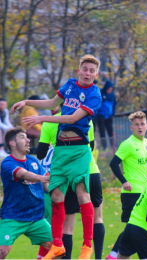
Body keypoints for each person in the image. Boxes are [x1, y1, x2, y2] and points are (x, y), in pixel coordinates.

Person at [11, 54, 102, 259]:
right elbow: (52, 101)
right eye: (85, 69)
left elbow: (71, 118)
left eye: (92, 71)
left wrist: (40, 117)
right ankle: (58, 245)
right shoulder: (70, 85)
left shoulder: (94, 94)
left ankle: (87, 246)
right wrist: (26, 101)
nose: (87, 73)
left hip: (79, 149)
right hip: (60, 149)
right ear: (79, 70)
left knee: (82, 194)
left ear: (96, 75)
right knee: (56, 197)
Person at [36, 113, 105, 259]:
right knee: (98, 217)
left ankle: (63, 251)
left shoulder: (50, 121)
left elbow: (41, 152)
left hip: (65, 173)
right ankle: (95, 254)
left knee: (67, 222)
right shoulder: (86, 118)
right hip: (90, 169)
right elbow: (91, 146)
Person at [105, 111, 147, 260]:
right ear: (131, 127)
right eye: (136, 124)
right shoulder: (128, 144)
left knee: (135, 227)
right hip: (131, 193)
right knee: (139, 226)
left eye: (142, 124)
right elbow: (113, 163)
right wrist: (124, 181)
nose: (140, 127)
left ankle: (114, 255)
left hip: (143, 192)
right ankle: (142, 256)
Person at [0, 127, 52, 259]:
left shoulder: (33, 161)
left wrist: (64, 192)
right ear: (12, 143)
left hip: (36, 218)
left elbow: (47, 186)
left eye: (27, 137)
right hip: (13, 217)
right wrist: (40, 178)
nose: (28, 140)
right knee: (2, 252)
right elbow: (23, 174)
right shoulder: (7, 162)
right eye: (23, 137)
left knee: (58, 251)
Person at [97, 80, 117, 150]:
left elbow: (114, 104)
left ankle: (113, 146)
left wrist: (113, 114)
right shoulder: (100, 92)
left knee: (110, 131)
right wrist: (98, 115)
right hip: (101, 116)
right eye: (109, 89)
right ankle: (104, 146)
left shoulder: (112, 94)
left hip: (109, 116)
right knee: (102, 132)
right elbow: (97, 104)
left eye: (111, 89)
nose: (110, 90)